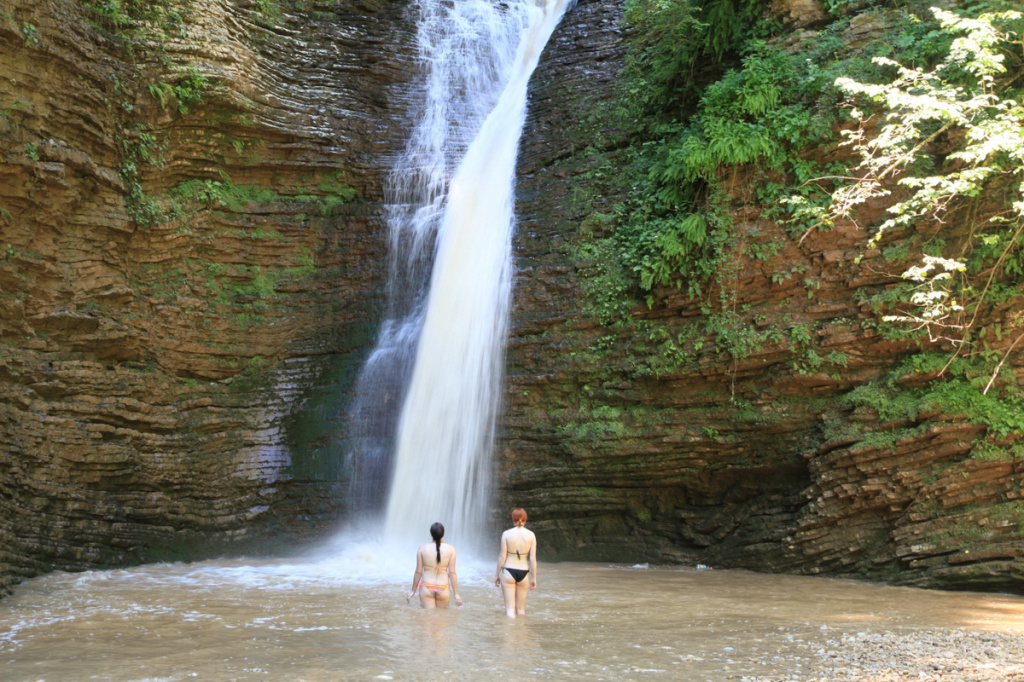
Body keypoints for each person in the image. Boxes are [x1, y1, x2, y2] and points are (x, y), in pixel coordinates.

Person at [408, 522, 462, 608]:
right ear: (443, 534)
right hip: (443, 587)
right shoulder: (451, 549)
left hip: (426, 586)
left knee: (427, 618)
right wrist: (456, 594)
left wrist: (412, 591)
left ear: (431, 533)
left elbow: (418, 572)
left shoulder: (422, 548)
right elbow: (452, 573)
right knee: (442, 618)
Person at [494, 508, 537, 618]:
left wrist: (497, 575)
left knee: (509, 609)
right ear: (525, 519)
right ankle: (521, 633)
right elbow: (532, 558)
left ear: (513, 519)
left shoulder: (506, 534)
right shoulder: (531, 535)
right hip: (524, 572)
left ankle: (509, 633)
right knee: (521, 610)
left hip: (508, 570)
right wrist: (534, 578)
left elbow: (502, 556)